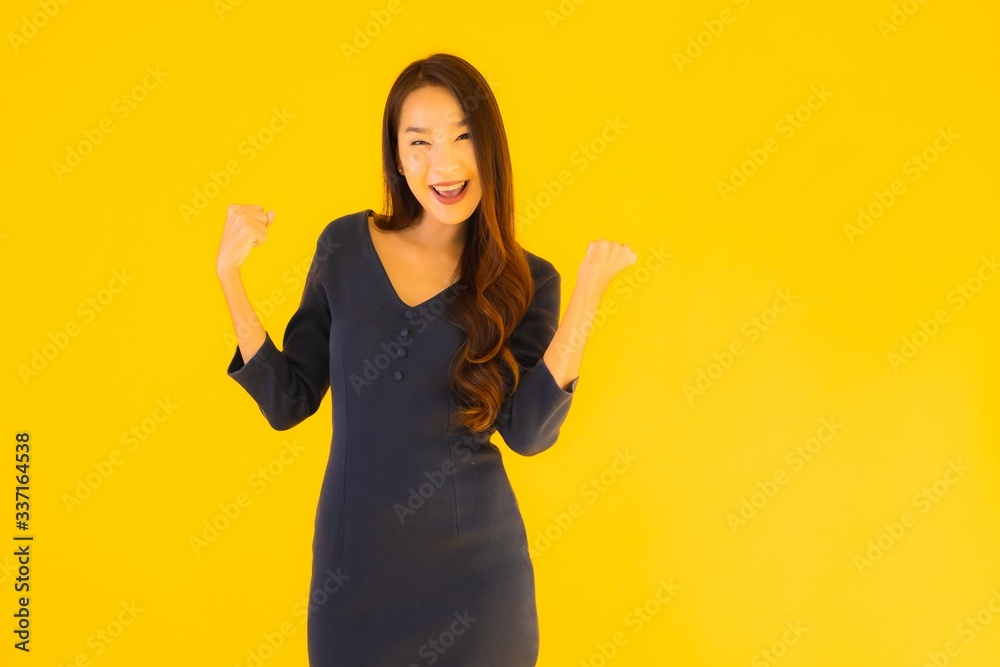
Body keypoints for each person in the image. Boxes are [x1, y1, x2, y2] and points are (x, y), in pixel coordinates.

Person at [216, 52, 636, 666]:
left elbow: (529, 434)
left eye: (463, 136)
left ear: (490, 147)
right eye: (420, 142)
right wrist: (230, 276)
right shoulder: (343, 246)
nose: (444, 163)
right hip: (351, 576)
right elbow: (288, 401)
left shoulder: (525, 280)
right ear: (396, 156)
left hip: (477, 587)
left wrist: (588, 293)